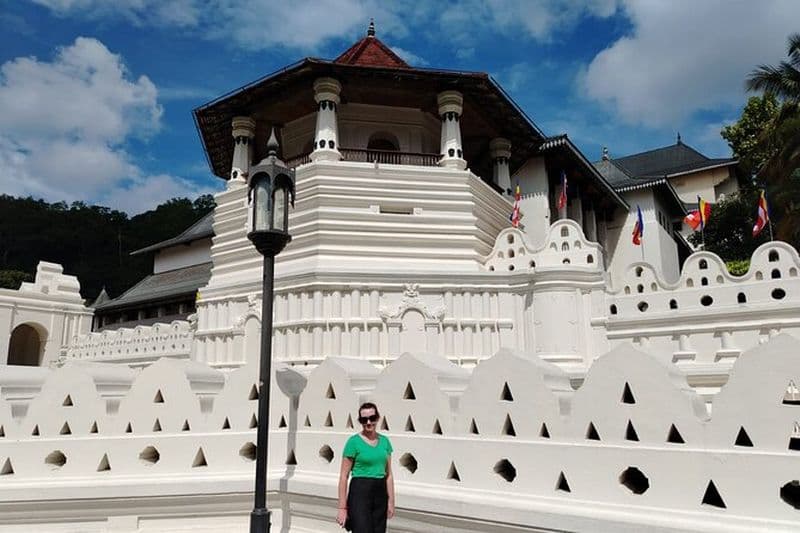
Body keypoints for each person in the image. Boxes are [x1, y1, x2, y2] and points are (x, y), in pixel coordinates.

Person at [336, 402, 395, 532]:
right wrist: (342, 508)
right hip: (360, 493)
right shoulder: (353, 442)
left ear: (378, 418)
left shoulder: (385, 442)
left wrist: (391, 502)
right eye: (364, 420)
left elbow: (389, 475)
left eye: (372, 418)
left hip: (380, 493)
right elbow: (343, 476)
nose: (368, 422)